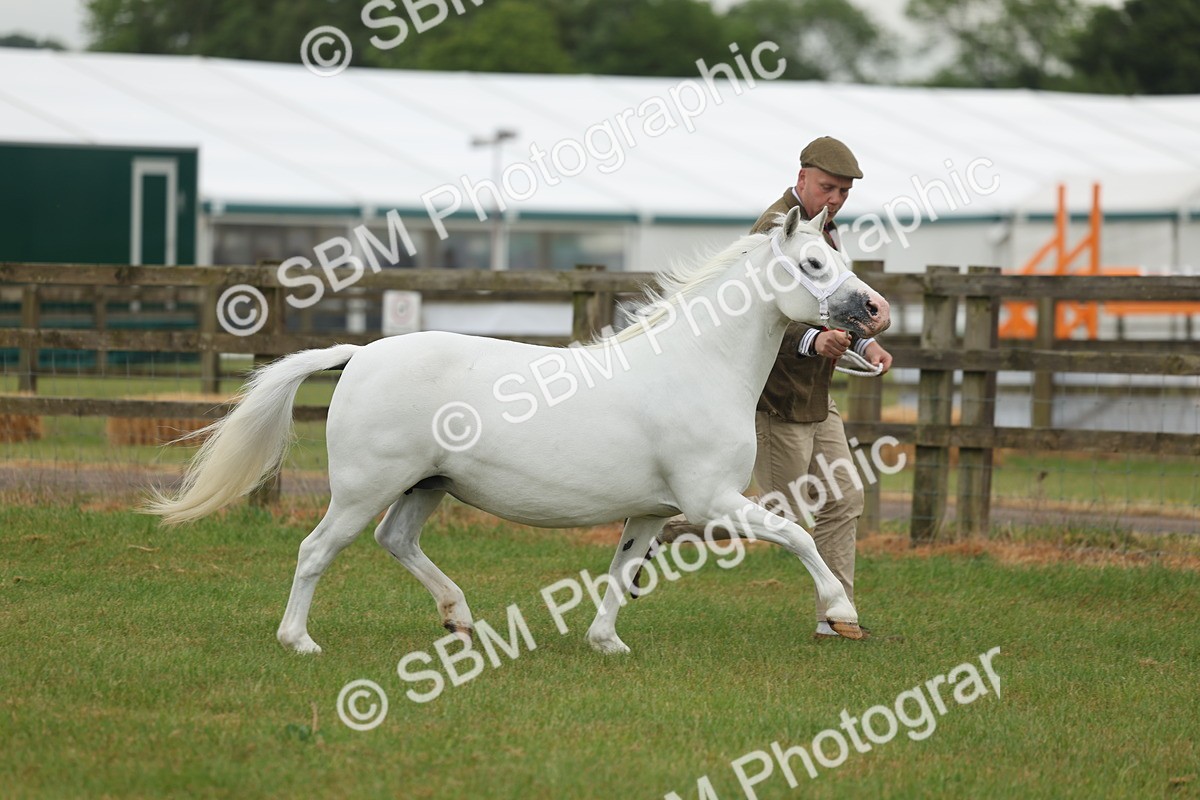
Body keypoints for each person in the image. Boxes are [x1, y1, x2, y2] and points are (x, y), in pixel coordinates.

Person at [660, 136, 893, 640]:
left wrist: (861, 344)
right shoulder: (776, 229)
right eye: (828, 187)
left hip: (817, 396)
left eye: (845, 192)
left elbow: (830, 299)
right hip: (776, 397)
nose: (835, 199)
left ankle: (836, 617)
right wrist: (815, 340)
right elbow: (761, 315)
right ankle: (667, 527)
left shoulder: (825, 232)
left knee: (843, 500)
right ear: (803, 176)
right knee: (782, 511)